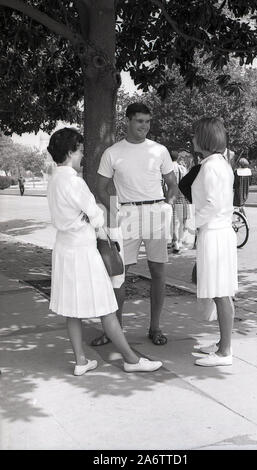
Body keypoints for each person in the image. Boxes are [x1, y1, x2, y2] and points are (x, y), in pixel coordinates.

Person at [46, 127, 162, 375]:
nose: (82, 157)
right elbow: (97, 217)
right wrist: (97, 211)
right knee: (107, 307)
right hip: (83, 251)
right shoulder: (74, 182)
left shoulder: (54, 179)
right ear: (70, 152)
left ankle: (80, 361)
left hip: (64, 249)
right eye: (79, 152)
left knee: (71, 310)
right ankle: (131, 359)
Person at [92, 102, 178, 346]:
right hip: (127, 214)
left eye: (148, 121)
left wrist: (168, 206)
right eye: (140, 121)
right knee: (119, 274)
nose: (145, 126)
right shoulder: (113, 152)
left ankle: (155, 328)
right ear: (127, 121)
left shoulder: (159, 150)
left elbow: (172, 184)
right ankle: (114, 331)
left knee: (158, 272)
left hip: (155, 212)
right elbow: (100, 187)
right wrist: (114, 211)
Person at [189, 117, 238, 367]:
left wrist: (190, 222)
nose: (193, 138)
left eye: (197, 134)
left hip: (215, 232)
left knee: (221, 292)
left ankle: (225, 351)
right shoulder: (217, 164)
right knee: (220, 291)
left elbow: (212, 205)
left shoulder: (211, 167)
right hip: (217, 231)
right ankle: (222, 344)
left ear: (205, 138)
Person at [169, 150, 188, 253]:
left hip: (169, 197)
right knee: (180, 221)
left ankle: (174, 240)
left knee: (172, 221)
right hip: (181, 196)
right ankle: (179, 241)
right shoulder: (182, 169)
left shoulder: (167, 168)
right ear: (177, 158)